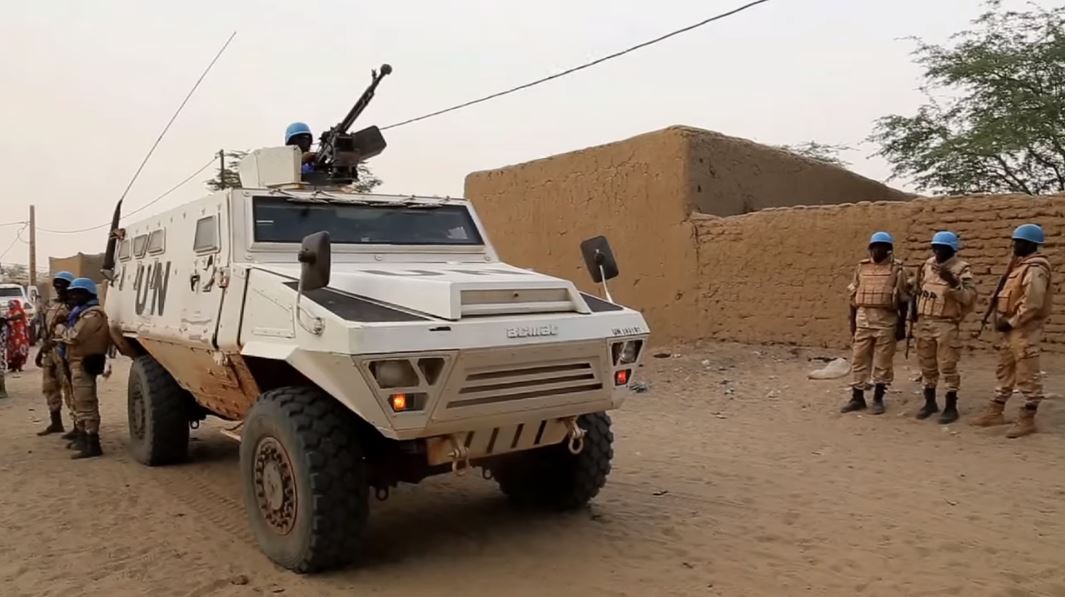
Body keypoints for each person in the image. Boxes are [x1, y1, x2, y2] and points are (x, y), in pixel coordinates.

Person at [971, 224, 1052, 438]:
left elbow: (1033, 303)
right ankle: (996, 410)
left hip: (1024, 329)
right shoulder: (1018, 267)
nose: (1014, 245)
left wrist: (1011, 322)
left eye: (1019, 242)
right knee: (1005, 370)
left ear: (1030, 244)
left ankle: (1027, 417)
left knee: (1027, 372)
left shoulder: (1035, 268)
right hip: (1012, 328)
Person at [841, 231, 910, 415]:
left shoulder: (898, 269)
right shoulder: (861, 268)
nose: (877, 251)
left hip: (886, 320)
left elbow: (903, 300)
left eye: (881, 248)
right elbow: (853, 297)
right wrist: (853, 324)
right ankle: (857, 398)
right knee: (859, 359)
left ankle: (878, 398)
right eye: (874, 247)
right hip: (863, 319)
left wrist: (902, 325)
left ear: (889, 250)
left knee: (883, 361)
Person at [913, 231, 978, 423]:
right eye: (935, 248)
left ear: (952, 250)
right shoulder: (927, 265)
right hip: (925, 320)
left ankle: (951, 406)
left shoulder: (961, 269)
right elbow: (919, 288)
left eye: (942, 248)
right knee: (927, 364)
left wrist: (953, 283)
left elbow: (969, 297)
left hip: (945, 323)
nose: (938, 252)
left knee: (948, 365)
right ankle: (930, 402)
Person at [55, 278, 111, 459]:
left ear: (87, 294)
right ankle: (83, 438)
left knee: (86, 403)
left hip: (84, 362)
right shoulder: (80, 313)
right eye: (72, 293)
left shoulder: (93, 315)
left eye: (77, 293)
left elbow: (74, 336)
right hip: (75, 362)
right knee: (79, 402)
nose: (73, 296)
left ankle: (92, 443)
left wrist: (59, 329)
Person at [35, 271, 75, 437]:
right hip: (49, 352)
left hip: (65, 351)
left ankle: (78, 425)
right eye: (56, 286)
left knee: (69, 387)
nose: (59, 289)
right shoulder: (51, 305)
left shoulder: (74, 307)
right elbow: (45, 330)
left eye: (62, 286)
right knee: (49, 387)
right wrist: (41, 350)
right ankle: (56, 422)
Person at [4, 299, 30, 372]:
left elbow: (23, 321)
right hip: (13, 336)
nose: (10, 306)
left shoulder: (20, 312)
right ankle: (14, 367)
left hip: (19, 335)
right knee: (14, 351)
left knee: (19, 351)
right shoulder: (9, 313)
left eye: (11, 304)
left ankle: (19, 366)